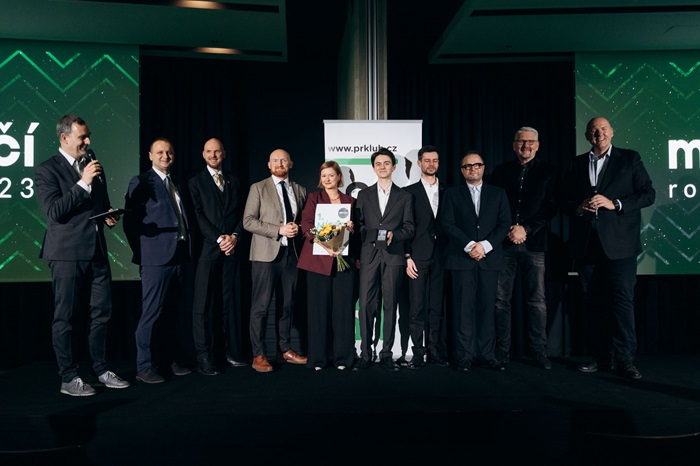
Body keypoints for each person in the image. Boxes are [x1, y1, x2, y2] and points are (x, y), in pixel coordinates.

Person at [35, 114, 130, 396]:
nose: (88, 142)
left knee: (101, 313)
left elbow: (98, 203)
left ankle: (100, 369)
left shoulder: (91, 162)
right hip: (66, 253)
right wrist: (83, 183)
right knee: (65, 317)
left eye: (88, 136)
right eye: (82, 137)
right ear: (65, 138)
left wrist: (107, 213)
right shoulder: (46, 170)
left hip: (96, 249)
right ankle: (69, 377)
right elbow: (55, 211)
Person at [564, 117, 655, 380]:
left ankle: (625, 360)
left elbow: (648, 194)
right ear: (587, 135)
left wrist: (614, 203)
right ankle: (600, 357)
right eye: (594, 130)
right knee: (593, 302)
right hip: (587, 246)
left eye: (603, 129)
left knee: (622, 301)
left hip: (621, 245)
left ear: (612, 132)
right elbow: (563, 198)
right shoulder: (577, 163)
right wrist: (579, 206)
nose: (599, 133)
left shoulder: (629, 159)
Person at [124, 138, 192, 384]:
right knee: (151, 314)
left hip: (179, 255)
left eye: (169, 152)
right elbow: (130, 222)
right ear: (150, 155)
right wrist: (144, 253)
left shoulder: (176, 182)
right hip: (155, 259)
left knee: (172, 313)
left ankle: (168, 359)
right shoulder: (141, 182)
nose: (166, 156)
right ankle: (144, 366)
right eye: (160, 152)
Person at [490, 127, 557, 369]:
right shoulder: (500, 171)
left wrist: (525, 229)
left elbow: (550, 207)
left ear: (537, 145)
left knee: (536, 300)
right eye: (521, 141)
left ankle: (539, 351)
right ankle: (502, 351)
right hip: (504, 244)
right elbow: (493, 205)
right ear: (514, 145)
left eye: (530, 141)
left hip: (534, 244)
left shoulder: (549, 172)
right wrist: (508, 229)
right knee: (500, 300)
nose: (526, 145)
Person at [441, 151, 510, 372]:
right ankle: (463, 356)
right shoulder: (452, 194)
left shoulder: (498, 193)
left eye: (477, 165)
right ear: (462, 170)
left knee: (487, 308)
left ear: (483, 167)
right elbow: (447, 223)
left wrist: (485, 246)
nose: (473, 169)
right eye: (468, 166)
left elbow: (504, 224)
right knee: (462, 309)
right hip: (462, 259)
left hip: (490, 259)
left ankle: (487, 355)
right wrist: (470, 245)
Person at [243, 149, 307, 372]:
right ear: (269, 165)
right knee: (261, 306)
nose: (280, 163)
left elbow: (304, 220)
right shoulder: (258, 188)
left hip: (292, 256)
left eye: (284, 160)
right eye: (275, 160)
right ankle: (258, 354)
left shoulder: (299, 190)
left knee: (287, 305)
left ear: (291, 164)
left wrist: (299, 228)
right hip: (265, 256)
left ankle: (285, 350)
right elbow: (248, 221)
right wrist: (278, 230)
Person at [188, 138, 246, 376]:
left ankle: (221, 354)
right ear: (203, 154)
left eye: (217, 151)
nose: (213, 155)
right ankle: (203, 357)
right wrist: (220, 239)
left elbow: (243, 214)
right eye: (209, 152)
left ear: (224, 153)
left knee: (224, 304)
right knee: (202, 306)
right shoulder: (195, 182)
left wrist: (235, 237)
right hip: (208, 251)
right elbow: (198, 216)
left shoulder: (234, 180)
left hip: (231, 250)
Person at [354, 148, 415, 372]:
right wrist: (370, 236)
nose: (382, 167)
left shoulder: (405, 196)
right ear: (373, 168)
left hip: (393, 256)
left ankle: (387, 354)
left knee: (390, 305)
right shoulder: (363, 195)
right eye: (378, 163)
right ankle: (365, 354)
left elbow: (409, 228)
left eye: (386, 163)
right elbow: (359, 225)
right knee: (366, 306)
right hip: (369, 256)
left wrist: (393, 235)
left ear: (394, 166)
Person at [297, 161, 357, 371]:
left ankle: (343, 358)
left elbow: (356, 231)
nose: (327, 179)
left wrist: (351, 228)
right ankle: (318, 359)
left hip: (343, 262)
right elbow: (306, 225)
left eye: (331, 175)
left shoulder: (350, 201)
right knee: (318, 311)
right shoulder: (314, 198)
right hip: (318, 262)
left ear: (339, 177)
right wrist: (324, 244)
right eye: (324, 176)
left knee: (343, 311)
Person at [403, 145, 449, 368]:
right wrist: (407, 256)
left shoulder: (449, 191)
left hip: (442, 256)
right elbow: (403, 226)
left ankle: (434, 350)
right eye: (427, 160)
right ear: (419, 163)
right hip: (417, 256)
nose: (432, 164)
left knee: (437, 307)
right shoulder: (408, 192)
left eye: (435, 160)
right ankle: (418, 353)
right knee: (417, 307)